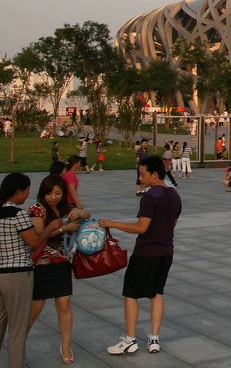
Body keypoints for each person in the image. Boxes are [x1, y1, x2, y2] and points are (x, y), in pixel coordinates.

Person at [101, 156, 182, 355]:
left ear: (155, 174)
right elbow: (172, 223)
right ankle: (154, 339)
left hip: (146, 252)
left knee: (130, 293)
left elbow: (141, 227)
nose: (140, 177)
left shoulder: (151, 195)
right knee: (157, 293)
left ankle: (130, 339)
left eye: (143, 174)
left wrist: (112, 223)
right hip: (166, 251)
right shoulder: (174, 194)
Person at [1, 173, 64, 367]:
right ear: (18, 192)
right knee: (18, 330)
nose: (28, 194)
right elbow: (35, 242)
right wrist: (52, 226)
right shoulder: (18, 214)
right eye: (27, 190)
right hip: (17, 274)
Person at [27, 175, 87, 364]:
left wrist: (79, 212)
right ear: (42, 193)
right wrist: (64, 228)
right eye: (49, 193)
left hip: (61, 264)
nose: (53, 197)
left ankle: (66, 345)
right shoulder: (37, 209)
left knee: (64, 305)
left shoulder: (66, 209)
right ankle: (18, 340)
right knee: (35, 308)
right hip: (41, 265)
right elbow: (38, 236)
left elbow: (87, 215)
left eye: (57, 193)